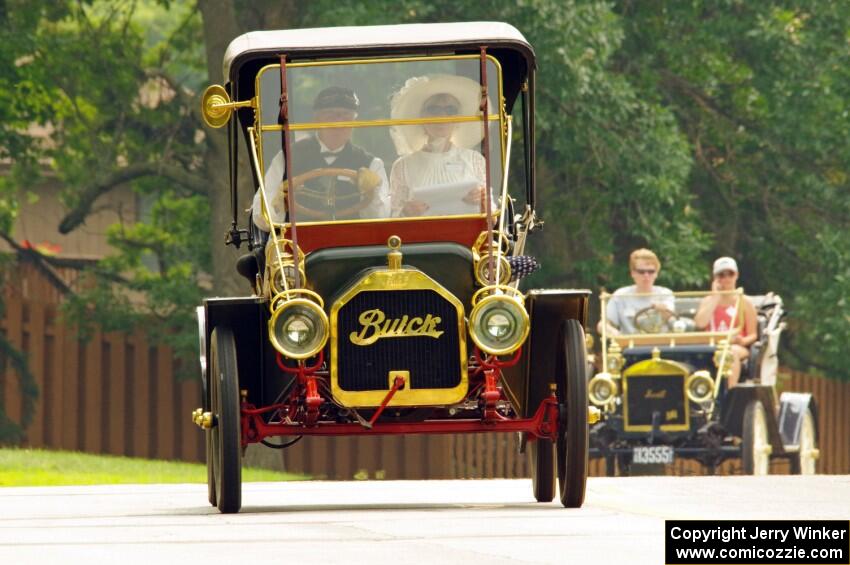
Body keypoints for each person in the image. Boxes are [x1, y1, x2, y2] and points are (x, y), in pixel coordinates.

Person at [252, 86, 389, 231]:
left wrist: (372, 192)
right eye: (330, 115)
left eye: (346, 115)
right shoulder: (287, 157)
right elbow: (261, 219)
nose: (339, 122)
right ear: (316, 119)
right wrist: (278, 203)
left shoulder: (371, 164)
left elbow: (381, 220)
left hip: (354, 243)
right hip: (298, 242)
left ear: (355, 121)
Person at [388, 75, 493, 217]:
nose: (443, 115)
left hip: (468, 237)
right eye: (433, 109)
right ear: (421, 117)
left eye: (450, 110)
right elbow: (391, 222)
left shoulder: (474, 160)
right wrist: (405, 212)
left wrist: (482, 201)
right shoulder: (402, 166)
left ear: (459, 118)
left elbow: (492, 219)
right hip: (421, 237)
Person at [694, 256, 757, 388]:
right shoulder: (707, 301)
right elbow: (700, 323)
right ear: (715, 278)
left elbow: (753, 334)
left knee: (730, 353)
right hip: (711, 346)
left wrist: (742, 341)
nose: (726, 279)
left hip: (735, 346)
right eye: (721, 275)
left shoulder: (745, 302)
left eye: (730, 274)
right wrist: (715, 297)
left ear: (736, 275)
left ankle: (729, 394)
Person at [599, 248, 675, 336]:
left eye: (651, 271)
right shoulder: (620, 295)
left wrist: (663, 311)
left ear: (656, 273)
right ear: (633, 273)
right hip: (630, 347)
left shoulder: (665, 294)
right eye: (641, 272)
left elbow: (673, 320)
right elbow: (602, 325)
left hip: (662, 345)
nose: (646, 275)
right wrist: (617, 335)